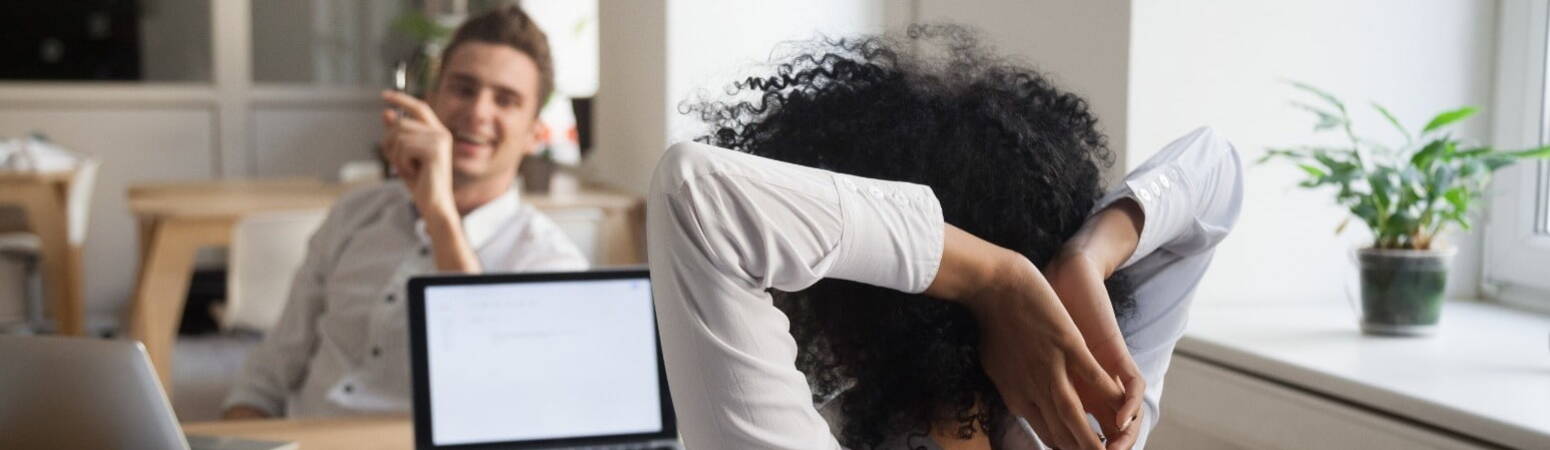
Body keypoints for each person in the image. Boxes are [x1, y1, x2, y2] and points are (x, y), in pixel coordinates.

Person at [649, 25, 1242, 449]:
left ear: (842, 310)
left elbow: (699, 194)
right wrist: (1082, 260)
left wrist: (990, 279)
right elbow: (1216, 170)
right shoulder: (1105, 420)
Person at [222, 5, 586, 419]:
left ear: (535, 135)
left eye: (506, 100)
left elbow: (498, 399)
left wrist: (440, 216)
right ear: (430, 100)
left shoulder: (549, 262)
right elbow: (269, 372)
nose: (478, 112)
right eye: (463, 89)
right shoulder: (355, 213)